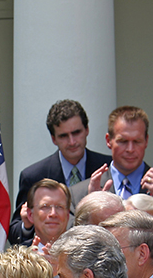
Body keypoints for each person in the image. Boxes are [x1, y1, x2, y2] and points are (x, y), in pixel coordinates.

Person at [70, 105, 153, 267]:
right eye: (123, 141)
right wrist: (91, 211)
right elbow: (72, 254)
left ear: (146, 140)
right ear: (108, 140)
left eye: (137, 141)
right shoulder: (81, 192)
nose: (130, 149)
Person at [10, 100, 111, 245]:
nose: (72, 142)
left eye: (76, 133)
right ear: (53, 139)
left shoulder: (106, 168)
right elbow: (15, 232)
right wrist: (27, 225)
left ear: (87, 130)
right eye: (63, 136)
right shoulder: (34, 175)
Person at [24, 179, 71, 248]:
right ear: (30, 215)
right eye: (45, 207)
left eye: (59, 207)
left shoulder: (85, 254)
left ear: (67, 214)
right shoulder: (16, 257)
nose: (53, 214)